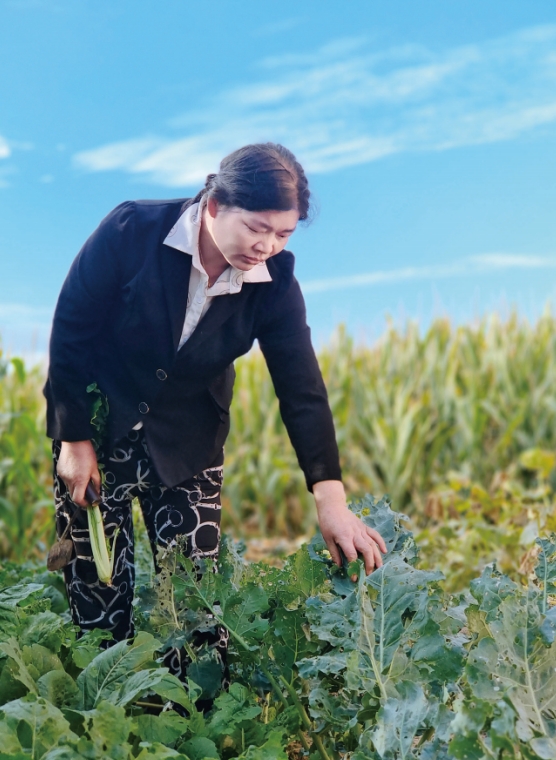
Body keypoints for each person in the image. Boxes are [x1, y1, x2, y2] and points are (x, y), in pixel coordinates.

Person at [44, 142, 387, 685]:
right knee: (100, 593)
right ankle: (103, 714)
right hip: (98, 427)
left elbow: (301, 388)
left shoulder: (274, 283)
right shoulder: (131, 230)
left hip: (190, 444)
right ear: (214, 202)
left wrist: (331, 498)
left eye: (284, 233)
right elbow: (72, 332)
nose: (267, 245)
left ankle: (197, 720)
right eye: (257, 227)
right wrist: (74, 439)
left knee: (199, 604)